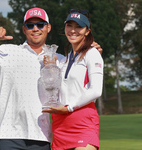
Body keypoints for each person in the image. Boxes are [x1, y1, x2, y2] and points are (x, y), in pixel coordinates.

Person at [0, 7, 102, 150]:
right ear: (23, 29)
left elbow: (80, 81)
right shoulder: (8, 51)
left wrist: (90, 49)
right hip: (8, 134)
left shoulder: (59, 60)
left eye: (40, 25)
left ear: (48, 27)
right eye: (30, 25)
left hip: (42, 135)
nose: (35, 28)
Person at [42, 9, 104, 150]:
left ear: (87, 31)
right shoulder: (64, 60)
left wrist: (68, 108)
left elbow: (96, 91)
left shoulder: (92, 53)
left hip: (83, 124)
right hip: (60, 126)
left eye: (79, 27)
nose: (73, 31)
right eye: (69, 25)